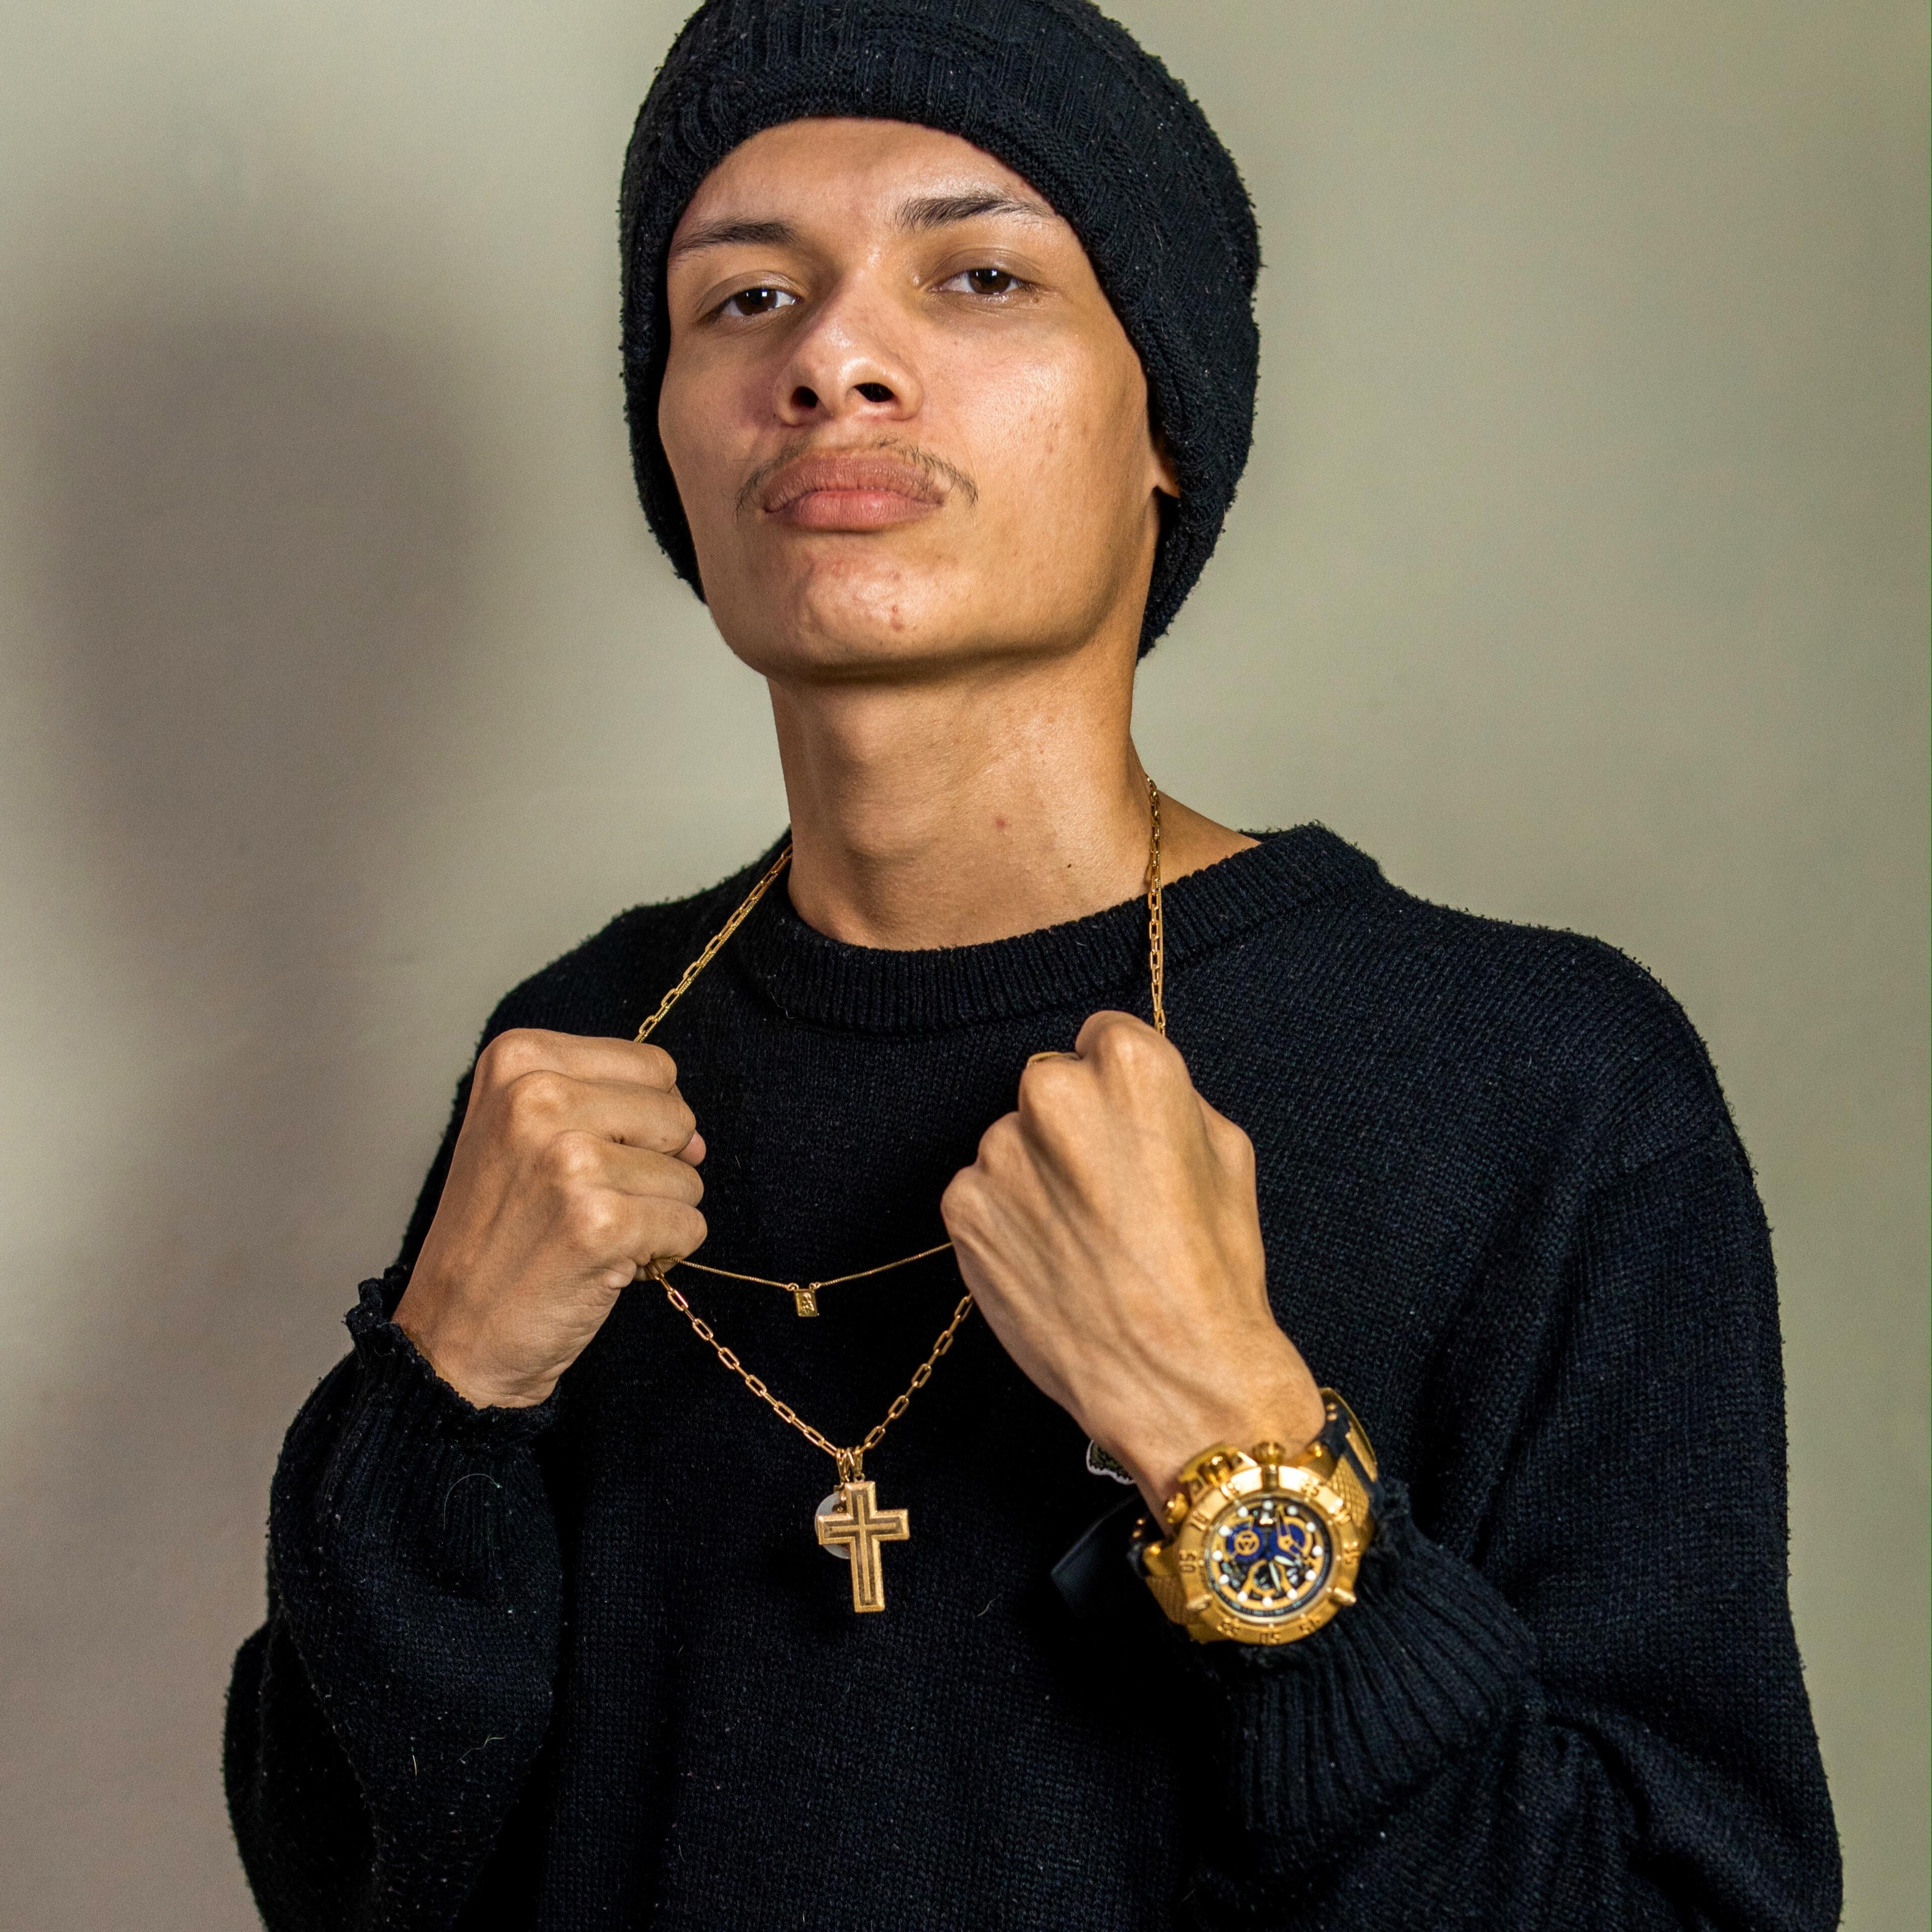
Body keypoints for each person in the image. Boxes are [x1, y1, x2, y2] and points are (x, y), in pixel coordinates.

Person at [223, 2, 1840, 1926]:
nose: (832, 360)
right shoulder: (579, 1053)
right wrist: (440, 1399)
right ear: (669, 436)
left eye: (978, 276)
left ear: (1167, 423)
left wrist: (1238, 1456)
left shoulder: (1532, 1084)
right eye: (744, 299)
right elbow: (346, 1880)